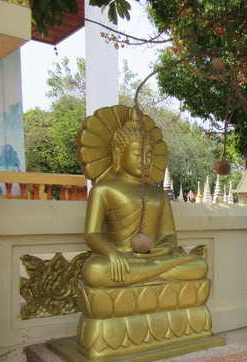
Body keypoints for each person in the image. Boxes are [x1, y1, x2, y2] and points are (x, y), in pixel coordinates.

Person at [79, 114, 207, 288]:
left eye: (149, 155)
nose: (144, 161)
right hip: (121, 258)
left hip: (154, 258)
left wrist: (166, 248)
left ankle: (143, 278)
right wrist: (112, 253)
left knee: (198, 265)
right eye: (138, 154)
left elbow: (169, 236)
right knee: (94, 270)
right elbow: (92, 234)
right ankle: (152, 278)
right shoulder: (103, 190)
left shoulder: (159, 195)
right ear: (119, 153)